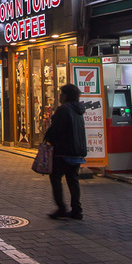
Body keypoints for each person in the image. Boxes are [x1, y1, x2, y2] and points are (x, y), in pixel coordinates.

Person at [43, 83, 87, 220]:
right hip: (77, 151)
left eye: (61, 93)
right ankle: (76, 209)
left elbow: (56, 129)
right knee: (73, 179)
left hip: (64, 151)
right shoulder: (78, 110)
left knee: (55, 177)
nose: (60, 96)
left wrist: (48, 139)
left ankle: (61, 207)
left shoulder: (64, 109)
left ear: (67, 95)